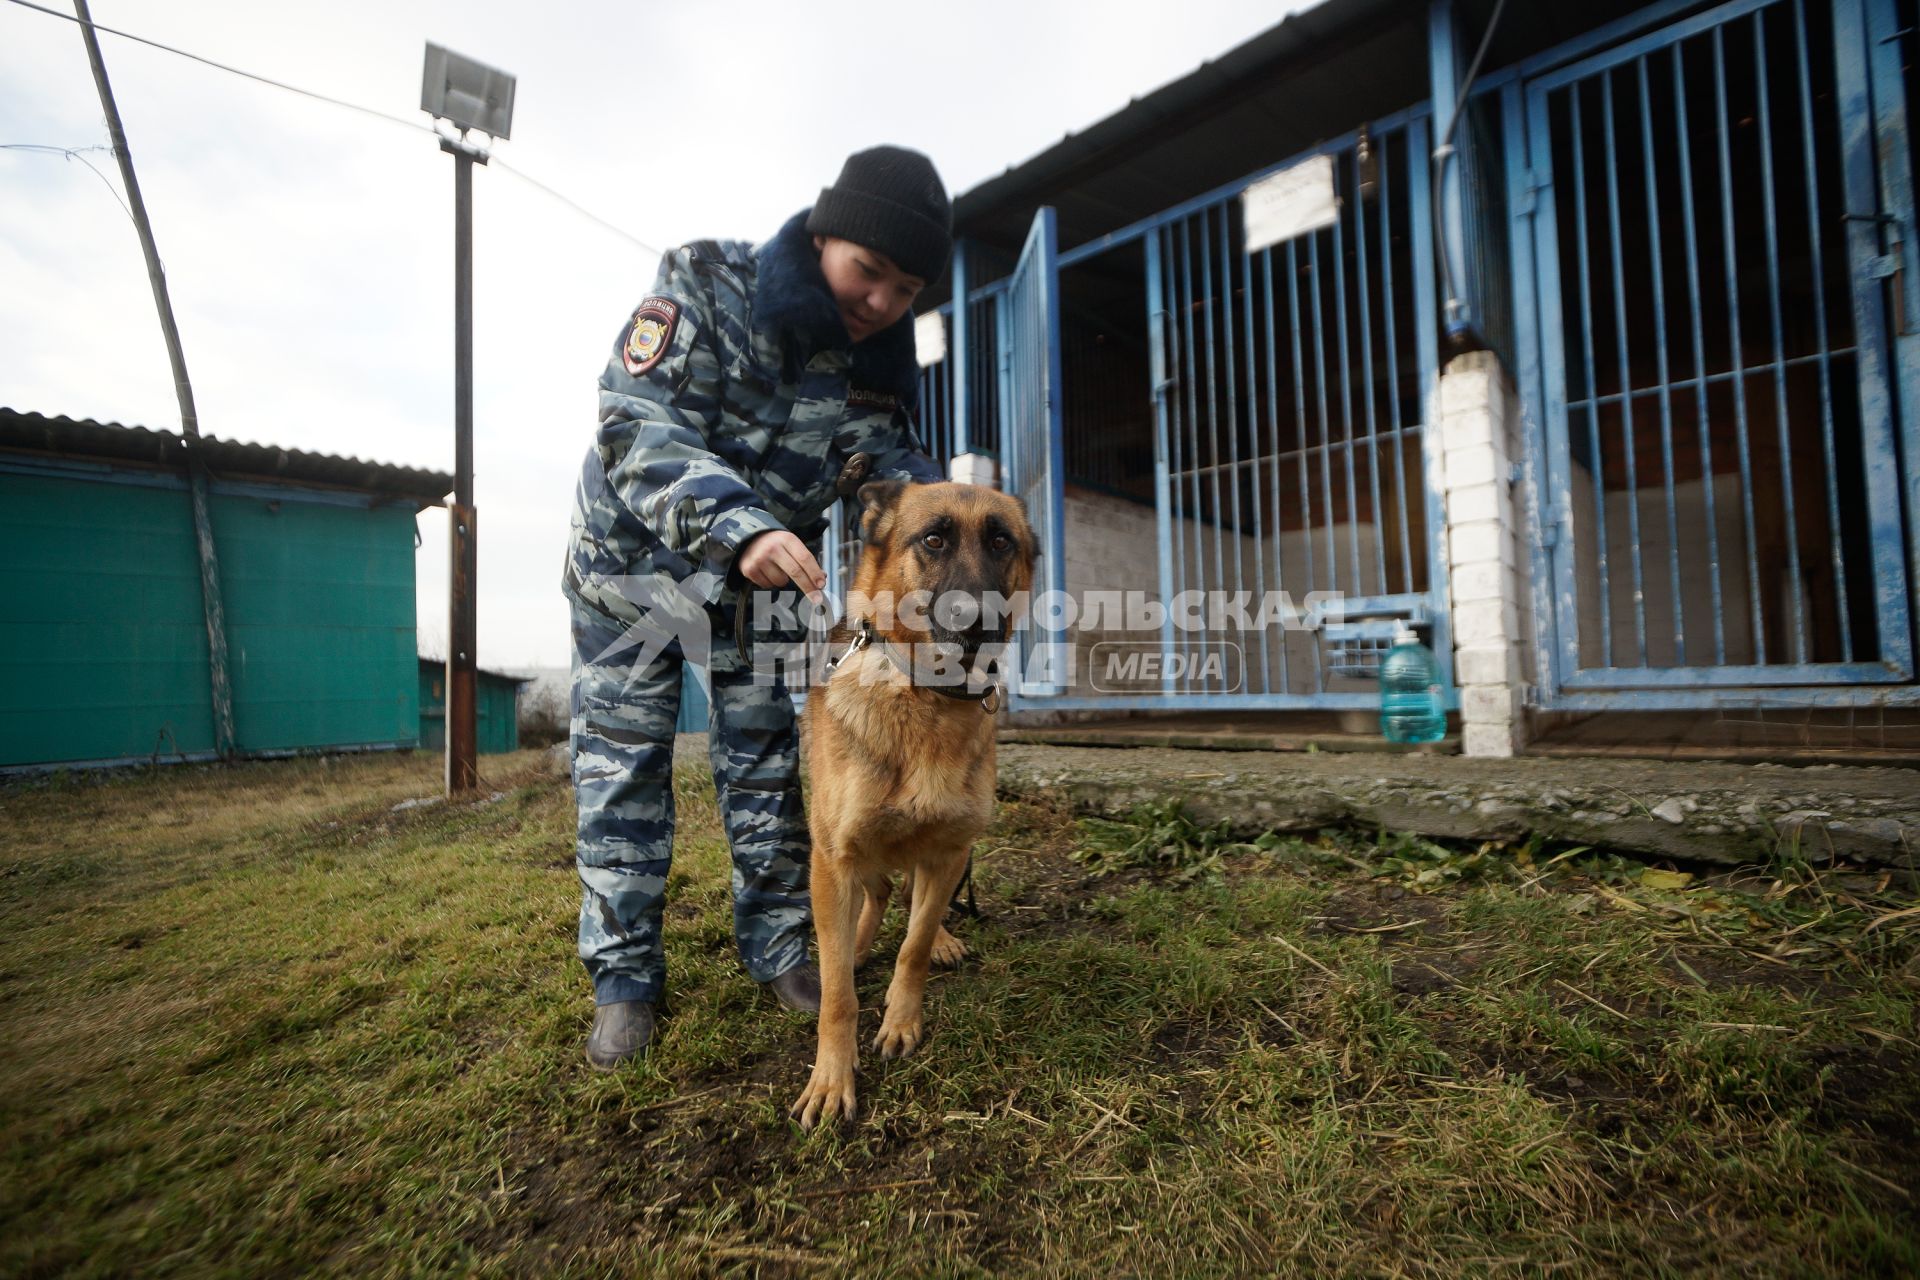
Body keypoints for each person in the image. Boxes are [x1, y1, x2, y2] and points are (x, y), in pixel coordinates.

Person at [561, 145, 951, 1070]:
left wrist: (962, 525)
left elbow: (894, 482)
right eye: (870, 272)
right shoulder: (704, 285)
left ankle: (782, 948)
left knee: (768, 765)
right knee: (624, 769)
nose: (882, 304)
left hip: (765, 589)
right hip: (635, 578)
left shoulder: (881, 370)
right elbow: (631, 418)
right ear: (825, 235)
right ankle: (624, 983)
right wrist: (738, 524)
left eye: (906, 290)